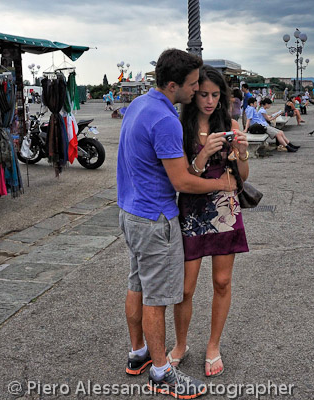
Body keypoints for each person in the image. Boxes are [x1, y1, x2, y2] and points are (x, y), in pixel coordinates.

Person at [118, 49, 235, 399]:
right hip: (155, 218)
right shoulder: (167, 121)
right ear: (173, 85)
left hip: (130, 211)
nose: (198, 88)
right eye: (193, 83)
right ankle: (161, 372)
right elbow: (183, 182)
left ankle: (138, 352)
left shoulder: (140, 104)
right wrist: (221, 184)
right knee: (158, 297)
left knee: (137, 283)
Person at [167, 65, 249, 378]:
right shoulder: (180, 127)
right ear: (193, 94)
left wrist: (241, 153)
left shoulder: (230, 123)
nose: (210, 101)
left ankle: (213, 345)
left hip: (226, 209)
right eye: (203, 94)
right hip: (192, 210)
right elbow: (182, 177)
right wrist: (203, 156)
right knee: (185, 288)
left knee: (222, 281)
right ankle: (181, 344)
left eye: (216, 95)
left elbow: (243, 178)